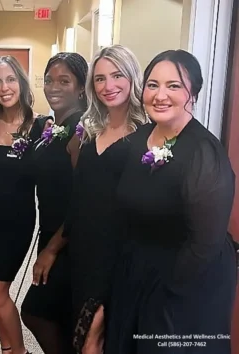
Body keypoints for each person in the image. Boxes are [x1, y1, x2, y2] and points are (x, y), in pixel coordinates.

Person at [104, 50, 237, 354]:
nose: (160, 95)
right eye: (152, 85)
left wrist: (165, 291)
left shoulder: (204, 153)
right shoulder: (142, 137)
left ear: (194, 92)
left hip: (185, 280)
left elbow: (205, 244)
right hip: (140, 267)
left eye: (174, 86)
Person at [63, 45, 148, 354]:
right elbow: (80, 191)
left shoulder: (147, 134)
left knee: (95, 339)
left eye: (116, 76)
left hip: (119, 252)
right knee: (82, 334)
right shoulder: (91, 129)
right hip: (85, 249)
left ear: (132, 78)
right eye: (99, 79)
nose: (108, 86)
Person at [20, 52, 89, 354]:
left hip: (68, 240)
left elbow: (84, 199)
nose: (54, 87)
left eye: (65, 80)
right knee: (58, 316)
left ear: (82, 88)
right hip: (49, 231)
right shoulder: (55, 127)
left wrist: (51, 249)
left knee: (36, 311)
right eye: (49, 80)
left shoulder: (80, 130)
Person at [0, 55, 44, 354]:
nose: (4, 87)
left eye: (11, 79)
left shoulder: (40, 125)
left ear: (21, 82)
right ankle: (6, 349)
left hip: (17, 220)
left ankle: (19, 351)